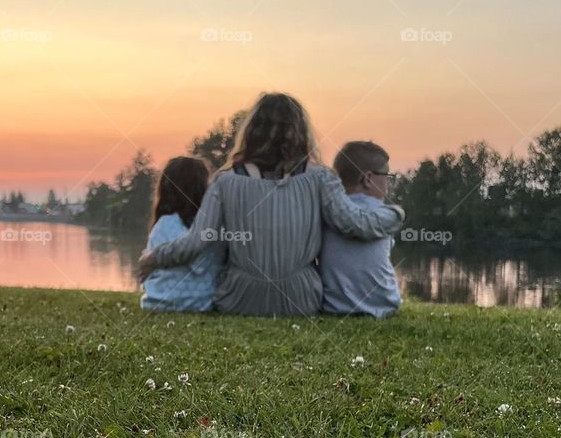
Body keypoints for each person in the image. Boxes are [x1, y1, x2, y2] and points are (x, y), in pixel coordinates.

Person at [137, 93, 404, 316]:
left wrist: (153, 258)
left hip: (238, 301)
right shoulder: (321, 178)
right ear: (301, 132)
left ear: (252, 131)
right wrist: (396, 214)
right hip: (301, 302)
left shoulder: (225, 182)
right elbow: (355, 224)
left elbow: (196, 242)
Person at [320, 141, 401, 318]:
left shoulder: (325, 215)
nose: (389, 183)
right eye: (387, 176)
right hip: (384, 307)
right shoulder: (382, 214)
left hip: (334, 308)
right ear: (368, 179)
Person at [140, 155, 221, 312]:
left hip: (161, 302)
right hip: (204, 303)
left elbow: (149, 272)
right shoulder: (214, 227)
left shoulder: (164, 225)